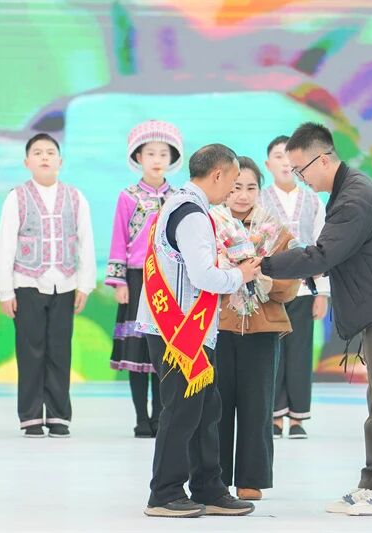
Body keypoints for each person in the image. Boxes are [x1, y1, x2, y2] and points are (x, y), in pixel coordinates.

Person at [261, 123, 372, 516]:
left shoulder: (355, 197)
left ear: (323, 159)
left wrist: (264, 265)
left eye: (301, 169)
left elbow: (323, 255)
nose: (300, 177)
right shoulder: (348, 191)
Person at [135, 144, 259, 518]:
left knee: (206, 409)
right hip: (178, 330)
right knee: (182, 410)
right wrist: (240, 275)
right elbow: (203, 276)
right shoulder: (192, 214)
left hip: (188, 327)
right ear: (217, 175)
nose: (233, 191)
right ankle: (164, 493)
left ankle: (209, 487)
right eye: (232, 181)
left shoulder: (180, 204)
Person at [0, 133, 96, 438]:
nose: (44, 157)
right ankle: (30, 417)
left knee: (59, 351)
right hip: (27, 282)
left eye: (50, 152)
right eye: (37, 152)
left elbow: (86, 242)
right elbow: (5, 244)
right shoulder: (17, 197)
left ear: (60, 161)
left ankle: (58, 415)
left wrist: (84, 285)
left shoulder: (76, 197)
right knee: (30, 351)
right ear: (27, 162)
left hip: (64, 283)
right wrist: (5, 290)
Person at [215, 156, 300, 501]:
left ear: (259, 191)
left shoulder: (276, 232)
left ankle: (252, 478)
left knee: (258, 405)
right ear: (224, 187)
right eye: (236, 187)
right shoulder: (209, 226)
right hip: (218, 327)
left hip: (262, 329)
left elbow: (291, 285)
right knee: (216, 405)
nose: (242, 195)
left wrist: (267, 282)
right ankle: (214, 476)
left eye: (251, 188)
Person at [106, 120, 182, 438]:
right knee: (137, 350)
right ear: (138, 157)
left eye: (163, 153)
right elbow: (118, 239)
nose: (156, 159)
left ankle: (162, 416)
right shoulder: (127, 197)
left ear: (171, 158)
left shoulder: (178, 197)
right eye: (150, 153)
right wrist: (119, 282)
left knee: (164, 350)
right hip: (138, 279)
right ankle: (141, 418)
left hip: (169, 280)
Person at [259, 135, 330, 439]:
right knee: (272, 353)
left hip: (303, 289)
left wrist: (322, 292)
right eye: (278, 156)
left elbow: (324, 246)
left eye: (289, 157)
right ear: (268, 164)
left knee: (300, 353)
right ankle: (274, 416)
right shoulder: (259, 200)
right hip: (269, 289)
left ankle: (298, 417)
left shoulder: (313, 200)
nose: (285, 163)